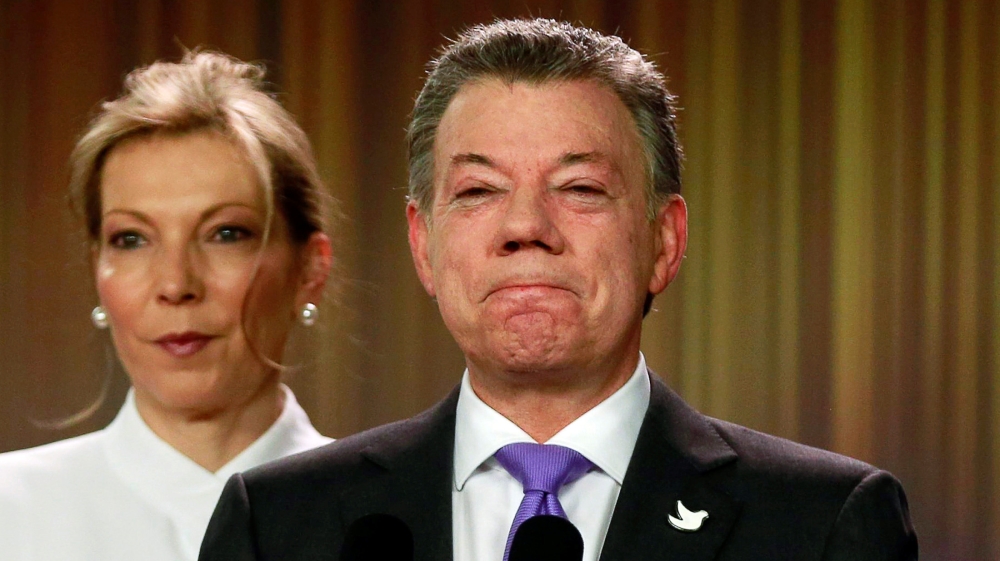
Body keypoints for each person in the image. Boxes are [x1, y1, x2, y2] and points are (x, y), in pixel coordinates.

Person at [199, 19, 918, 561]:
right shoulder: (278, 522)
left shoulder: (824, 522)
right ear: (424, 243)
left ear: (663, 241)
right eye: (480, 189)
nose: (525, 227)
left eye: (578, 188)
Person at [0, 51, 337, 561]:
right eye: (132, 239)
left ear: (309, 270)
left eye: (226, 234)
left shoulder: (403, 512)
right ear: (97, 271)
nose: (176, 283)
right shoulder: (12, 512)